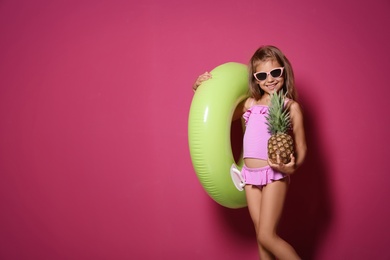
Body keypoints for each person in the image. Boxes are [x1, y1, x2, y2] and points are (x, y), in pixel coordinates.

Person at [192, 45, 307, 260]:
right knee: (260, 235)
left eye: (275, 72)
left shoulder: (290, 107)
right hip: (249, 176)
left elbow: (302, 146)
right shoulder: (250, 104)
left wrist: (294, 164)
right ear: (255, 78)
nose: (270, 79)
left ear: (284, 71)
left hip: (274, 173)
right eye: (262, 75)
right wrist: (200, 88)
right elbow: (219, 111)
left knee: (267, 235)